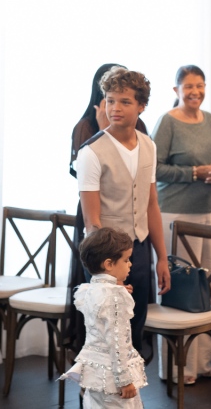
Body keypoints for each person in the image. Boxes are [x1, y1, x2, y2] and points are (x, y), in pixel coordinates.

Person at [75, 67, 171, 359]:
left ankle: (132, 387)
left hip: (139, 249)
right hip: (104, 255)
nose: (115, 108)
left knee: (135, 330)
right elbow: (92, 222)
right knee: (106, 336)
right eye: (110, 100)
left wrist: (162, 257)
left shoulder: (149, 145)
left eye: (124, 101)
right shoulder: (90, 152)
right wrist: (108, 274)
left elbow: (151, 204)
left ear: (141, 106)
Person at [151, 65, 211, 385]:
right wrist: (194, 173)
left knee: (209, 286)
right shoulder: (167, 121)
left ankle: (203, 361)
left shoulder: (210, 119)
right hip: (177, 214)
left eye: (200, 85)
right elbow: (155, 168)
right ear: (176, 91)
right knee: (181, 289)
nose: (195, 92)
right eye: (189, 86)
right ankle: (176, 367)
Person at [61, 227, 148, 408]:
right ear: (108, 264)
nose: (130, 264)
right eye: (126, 260)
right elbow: (117, 341)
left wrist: (117, 290)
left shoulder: (89, 290)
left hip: (95, 372)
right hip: (113, 376)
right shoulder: (116, 296)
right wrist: (124, 380)